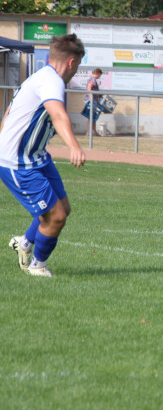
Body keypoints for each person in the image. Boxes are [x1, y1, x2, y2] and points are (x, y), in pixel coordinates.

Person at [1, 33, 87, 277]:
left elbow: (9, 112)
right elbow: (58, 115)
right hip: (19, 164)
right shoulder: (52, 82)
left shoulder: (40, 77)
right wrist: (74, 146)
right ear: (72, 62)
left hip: (36, 157)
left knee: (63, 208)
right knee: (56, 217)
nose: (75, 71)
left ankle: (25, 243)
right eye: (78, 66)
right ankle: (37, 266)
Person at [83, 68, 103, 136]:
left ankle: (94, 132)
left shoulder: (92, 79)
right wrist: (90, 98)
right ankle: (88, 132)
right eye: (100, 75)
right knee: (90, 116)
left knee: (93, 116)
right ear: (98, 74)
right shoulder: (92, 80)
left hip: (93, 100)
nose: (100, 76)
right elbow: (89, 88)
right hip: (91, 100)